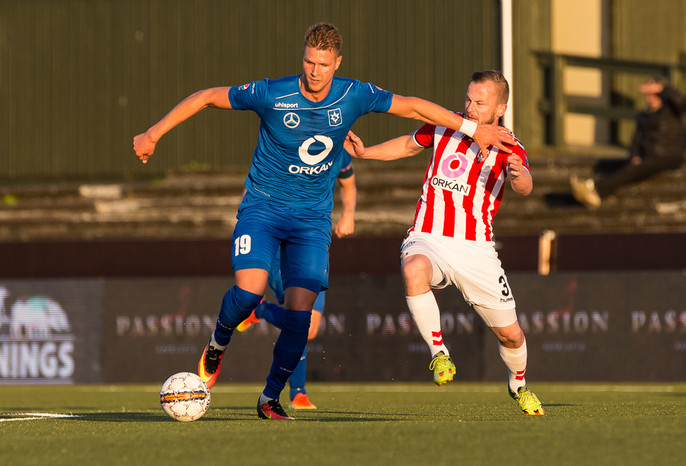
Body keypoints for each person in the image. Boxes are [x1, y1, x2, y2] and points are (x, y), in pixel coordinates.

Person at [133, 23, 514, 421]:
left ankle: (270, 398)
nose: (315, 72)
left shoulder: (353, 95)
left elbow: (414, 107)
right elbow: (207, 97)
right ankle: (217, 343)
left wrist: (472, 129)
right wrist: (153, 133)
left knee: (302, 317)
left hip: (312, 221)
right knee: (248, 292)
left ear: (338, 63)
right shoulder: (272, 92)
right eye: (309, 62)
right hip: (263, 208)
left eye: (324, 65)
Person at [344, 70, 544, 415]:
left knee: (511, 335)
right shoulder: (447, 124)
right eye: (468, 99)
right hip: (429, 236)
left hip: (476, 249)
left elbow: (525, 186)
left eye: (480, 103)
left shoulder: (509, 146)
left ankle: (519, 385)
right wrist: (366, 153)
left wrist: (519, 175)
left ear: (501, 108)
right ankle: (439, 354)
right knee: (413, 269)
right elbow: (408, 145)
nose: (470, 107)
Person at [236, 152, 357, 410]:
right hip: (281, 242)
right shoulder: (288, 142)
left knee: (310, 328)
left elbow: (348, 184)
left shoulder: (340, 149)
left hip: (311, 239)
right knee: (299, 316)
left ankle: (260, 310)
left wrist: (348, 214)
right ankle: (297, 392)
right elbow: (254, 188)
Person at [570, 79, 686, 209]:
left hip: (668, 156)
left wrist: (662, 88)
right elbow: (637, 139)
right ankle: (591, 187)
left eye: (655, 94)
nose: (652, 97)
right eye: (649, 94)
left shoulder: (671, 111)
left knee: (635, 169)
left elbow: (681, 101)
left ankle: (596, 190)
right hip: (649, 156)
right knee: (622, 164)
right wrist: (635, 155)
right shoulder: (643, 115)